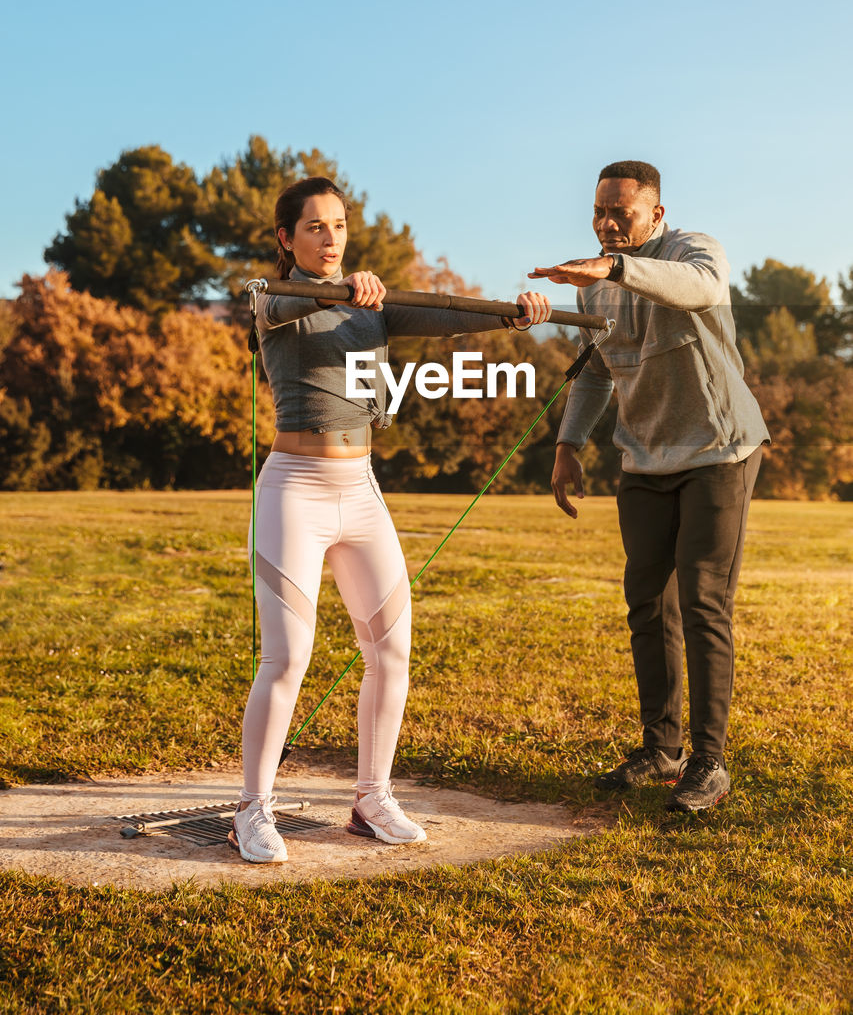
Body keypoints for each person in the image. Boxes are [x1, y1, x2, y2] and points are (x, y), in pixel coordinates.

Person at [229, 175, 552, 862]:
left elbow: (446, 314)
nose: (329, 238)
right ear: (287, 239)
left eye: (338, 225)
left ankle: (371, 799)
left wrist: (512, 315)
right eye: (314, 227)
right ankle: (252, 810)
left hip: (360, 488)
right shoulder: (276, 300)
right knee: (285, 658)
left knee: (392, 651)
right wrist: (342, 290)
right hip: (294, 489)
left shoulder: (373, 306)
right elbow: (281, 302)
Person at [529, 160, 768, 812]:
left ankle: (708, 763)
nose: (607, 226)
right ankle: (660, 749)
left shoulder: (694, 251)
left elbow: (695, 287)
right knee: (647, 604)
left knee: (702, 602)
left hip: (718, 450)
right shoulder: (594, 286)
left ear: (655, 215)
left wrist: (612, 268)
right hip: (643, 460)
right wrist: (567, 445)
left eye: (621, 215)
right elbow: (598, 371)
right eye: (599, 214)